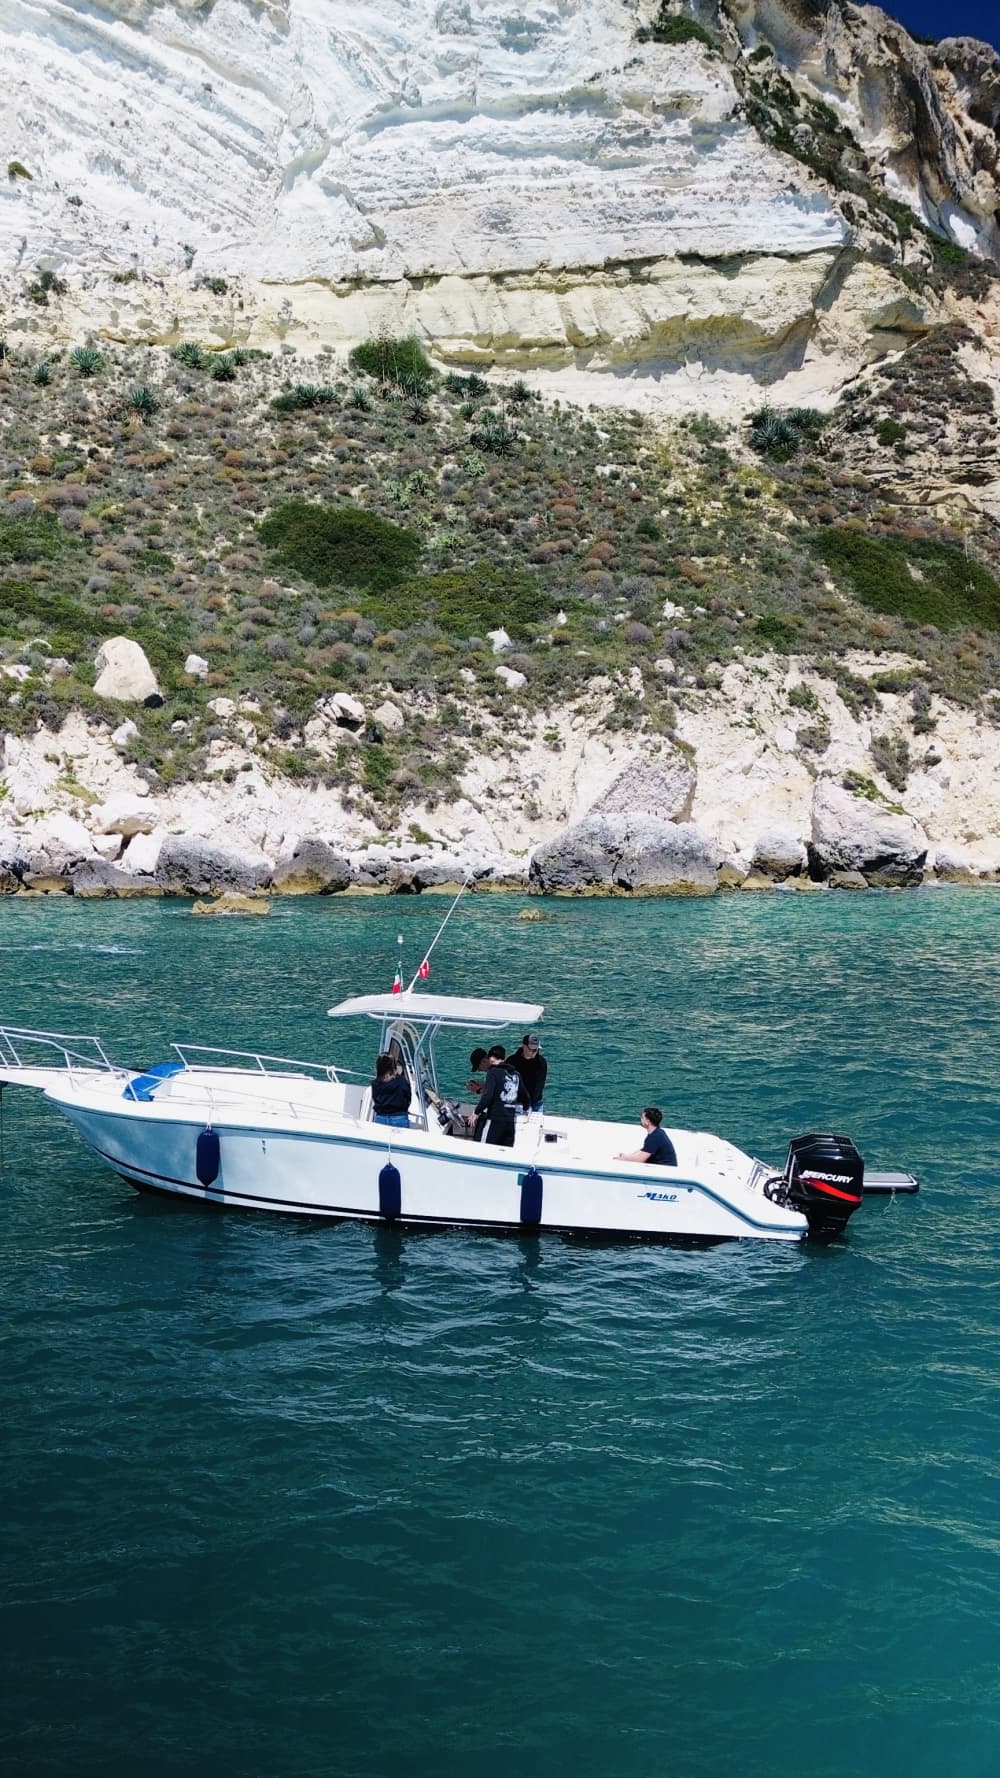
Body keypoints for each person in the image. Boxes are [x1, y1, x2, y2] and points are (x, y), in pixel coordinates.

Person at [473, 1044, 529, 1147]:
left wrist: (476, 1112)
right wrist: (524, 1109)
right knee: (504, 1151)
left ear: (489, 1059)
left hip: (495, 1121)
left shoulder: (493, 1072)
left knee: (483, 1149)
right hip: (510, 1124)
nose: (479, 1070)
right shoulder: (516, 1074)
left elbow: (488, 1097)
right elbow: (525, 1098)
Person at [508, 1032, 547, 1112]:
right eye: (531, 1049)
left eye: (536, 1049)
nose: (534, 1052)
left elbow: (539, 1086)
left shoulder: (541, 1062)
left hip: (535, 1103)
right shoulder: (511, 1061)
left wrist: (528, 1103)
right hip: (516, 1103)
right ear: (524, 1046)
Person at [371, 1053, 412, 1128]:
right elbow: (408, 1098)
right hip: (399, 1118)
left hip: (381, 1118)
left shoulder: (375, 1083)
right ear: (393, 1065)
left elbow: (376, 1099)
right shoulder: (402, 1081)